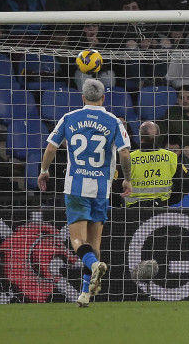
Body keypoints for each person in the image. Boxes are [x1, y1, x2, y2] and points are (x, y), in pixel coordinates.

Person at [37, 79, 133, 307]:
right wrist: (127, 179)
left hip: (76, 188)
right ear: (103, 98)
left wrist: (44, 171)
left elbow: (51, 146)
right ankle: (85, 293)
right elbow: (125, 154)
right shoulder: (114, 121)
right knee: (95, 243)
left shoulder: (69, 118)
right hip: (101, 189)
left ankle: (92, 268)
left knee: (78, 240)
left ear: (82, 97)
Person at [126, 121, 183, 206]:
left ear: (140, 137)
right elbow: (183, 183)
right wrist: (170, 202)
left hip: (134, 209)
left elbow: (117, 186)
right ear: (158, 137)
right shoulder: (171, 157)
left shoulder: (128, 158)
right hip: (161, 207)